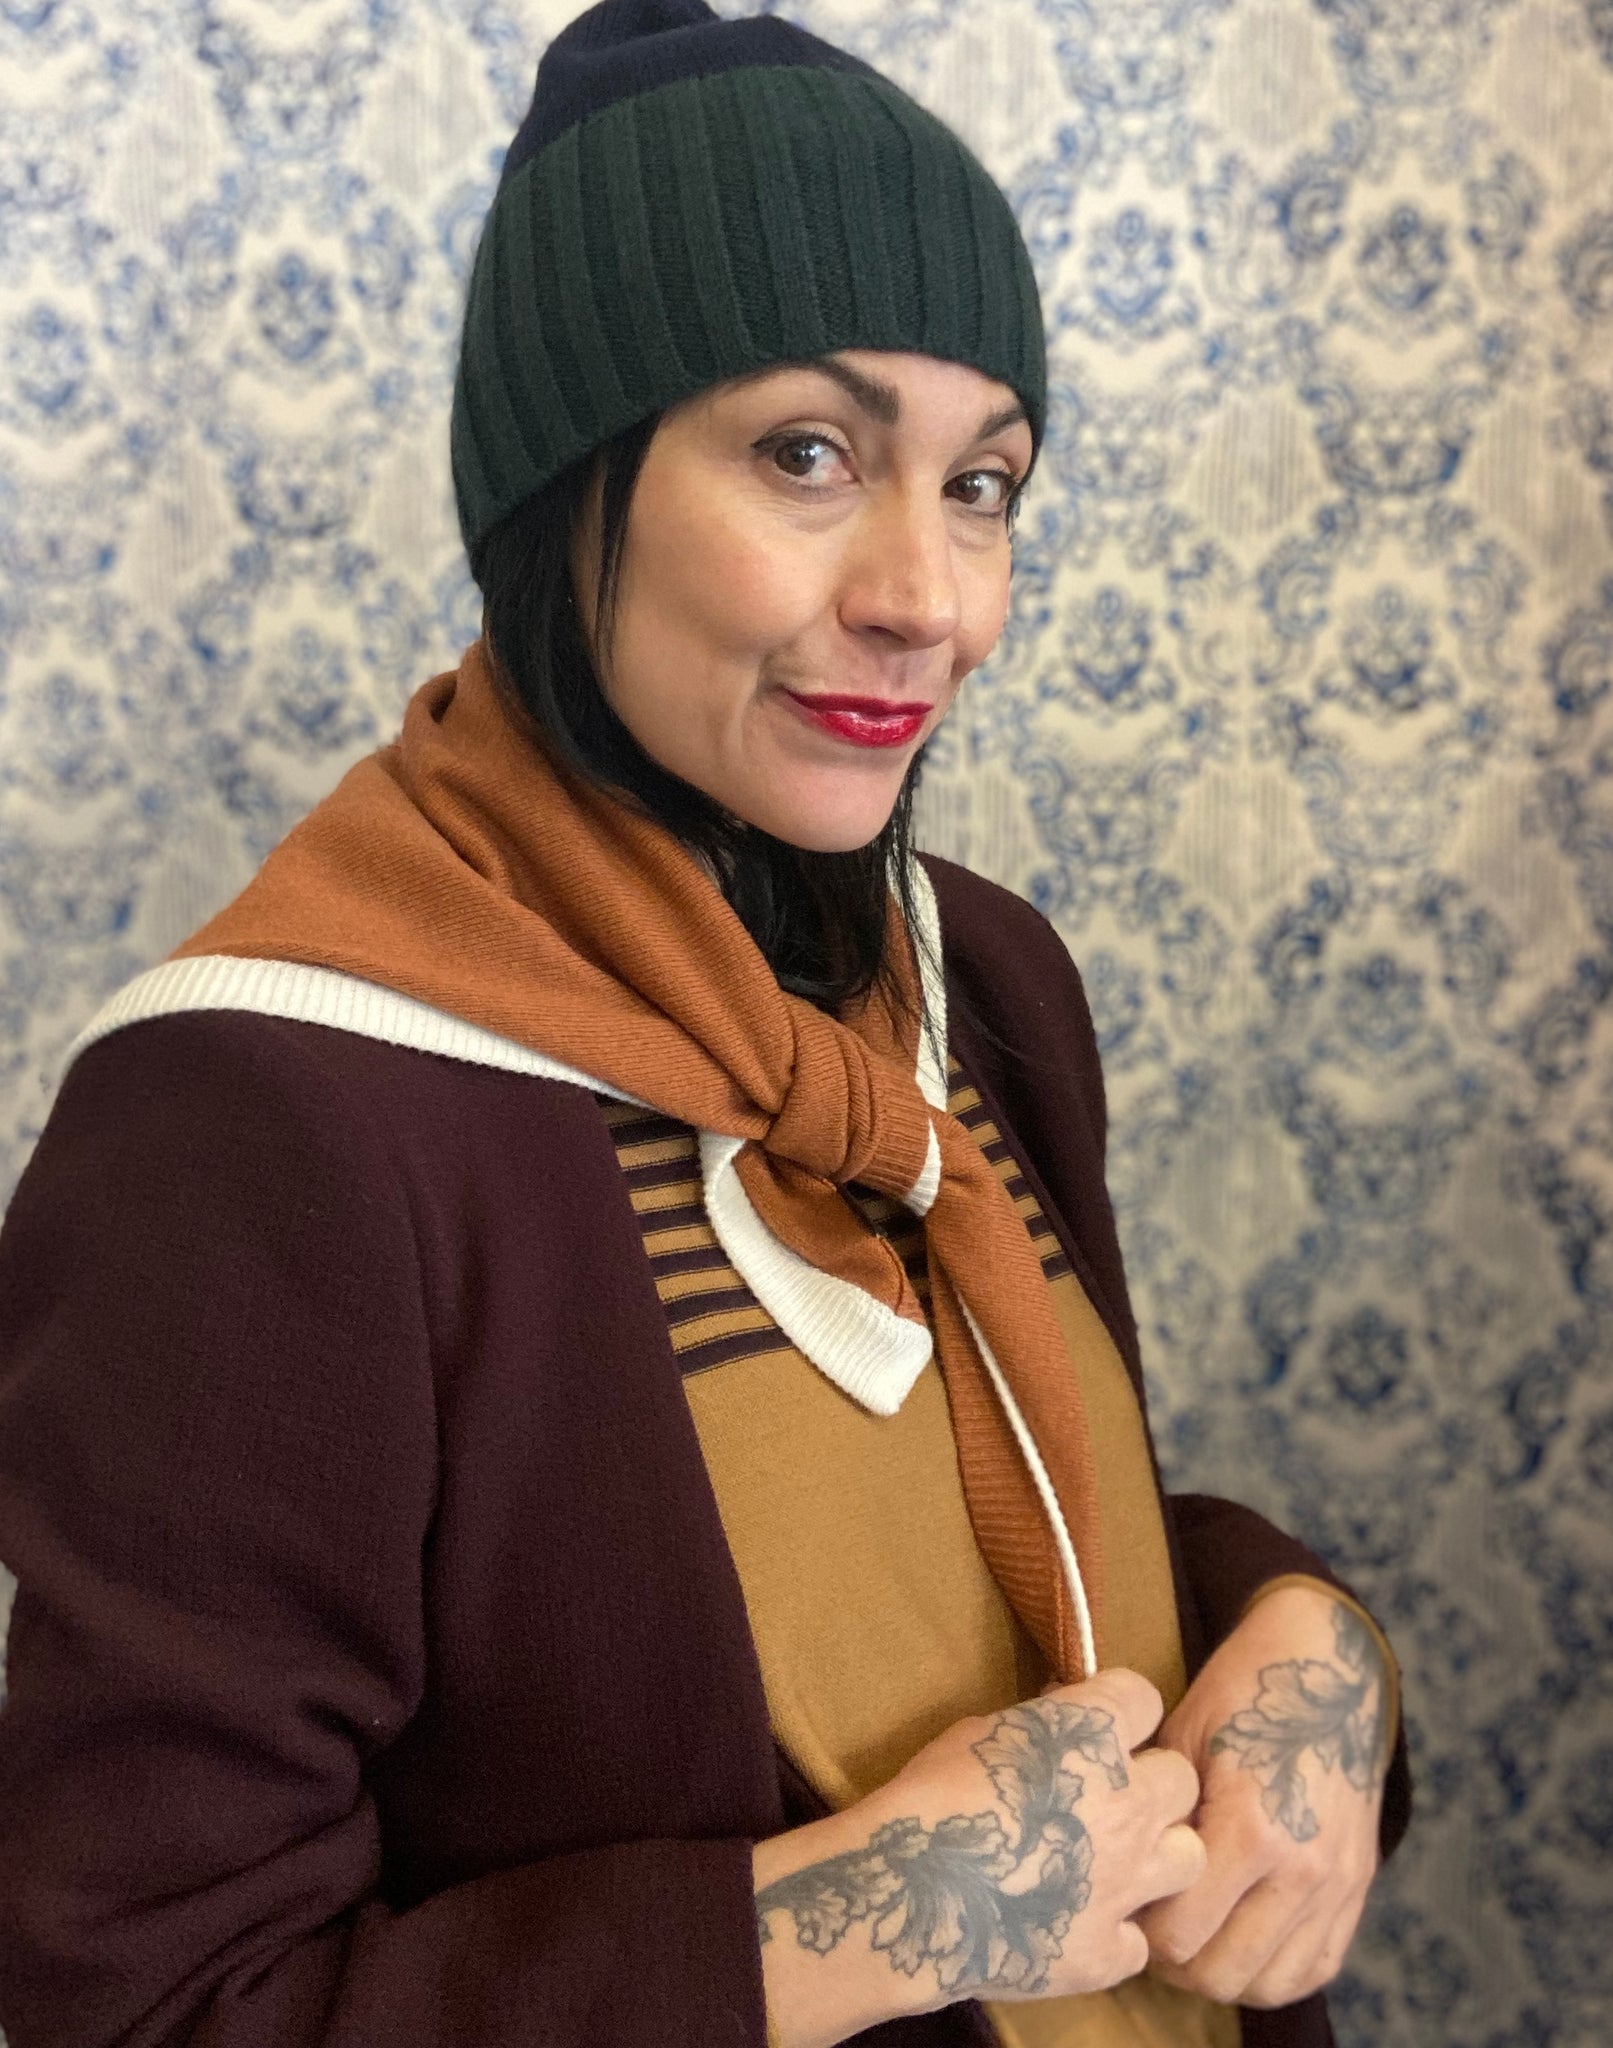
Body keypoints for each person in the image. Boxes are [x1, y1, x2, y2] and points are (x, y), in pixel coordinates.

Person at [0, 4, 1408, 2046]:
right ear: (568, 484)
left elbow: (979, 1555)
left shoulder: (975, 975)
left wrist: (1301, 1632)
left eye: (985, 483)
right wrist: (858, 1924)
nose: (932, 596)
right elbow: (150, 2004)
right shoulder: (256, 1116)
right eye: (806, 454)